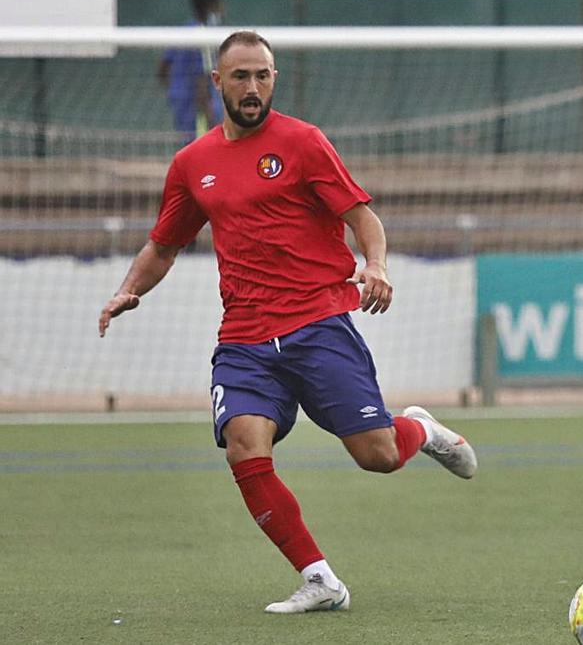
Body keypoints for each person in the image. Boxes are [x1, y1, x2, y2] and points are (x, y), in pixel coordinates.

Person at [100, 31, 477, 614]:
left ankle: (421, 431)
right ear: (217, 83)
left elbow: (363, 217)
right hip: (245, 337)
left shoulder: (303, 143)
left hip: (319, 323)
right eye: (242, 77)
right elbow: (164, 246)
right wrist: (128, 289)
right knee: (244, 445)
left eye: (264, 76)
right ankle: (321, 579)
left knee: (376, 454)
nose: (254, 88)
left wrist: (375, 265)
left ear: (275, 79)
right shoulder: (191, 164)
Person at [158, 0, 224, 147]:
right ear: (210, 6)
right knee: (203, 148)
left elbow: (162, 68)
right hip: (199, 104)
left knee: (187, 146)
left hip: (180, 100)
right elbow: (202, 76)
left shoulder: (183, 31)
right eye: (219, 6)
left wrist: (174, 90)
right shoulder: (205, 36)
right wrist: (207, 110)